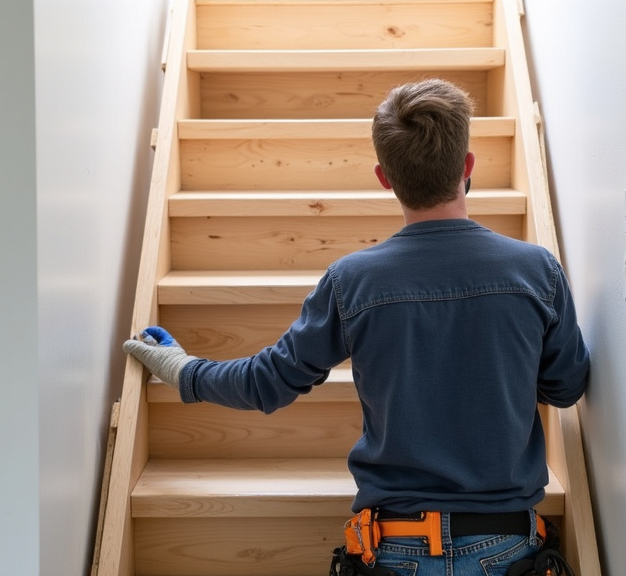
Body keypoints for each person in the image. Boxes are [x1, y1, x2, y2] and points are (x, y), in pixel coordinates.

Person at [123, 78, 589, 576]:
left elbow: (266, 382)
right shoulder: (536, 270)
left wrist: (183, 370)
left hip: (394, 548)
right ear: (468, 165)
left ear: (384, 178)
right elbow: (566, 388)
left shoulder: (353, 282)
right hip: (509, 545)